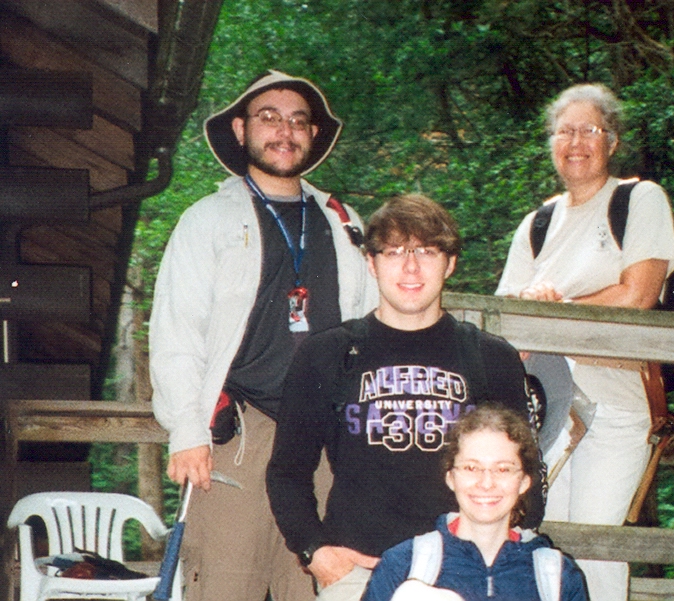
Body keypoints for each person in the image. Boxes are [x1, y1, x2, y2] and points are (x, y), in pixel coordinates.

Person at [149, 70, 378, 601]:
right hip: (239, 436)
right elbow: (178, 329)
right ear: (241, 128)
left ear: (313, 135)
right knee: (225, 585)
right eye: (269, 117)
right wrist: (186, 430)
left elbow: (371, 325)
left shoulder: (343, 223)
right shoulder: (207, 221)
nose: (284, 131)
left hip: (326, 438)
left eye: (298, 120)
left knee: (320, 587)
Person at [267, 194, 543, 601]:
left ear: (450, 263)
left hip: (466, 573)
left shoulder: (491, 357)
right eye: (395, 252)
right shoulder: (328, 354)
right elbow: (287, 471)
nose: (411, 267)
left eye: (427, 252)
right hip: (359, 574)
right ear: (371, 263)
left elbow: (528, 475)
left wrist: (493, 557)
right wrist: (316, 552)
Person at [496, 83, 674, 601]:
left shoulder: (638, 200)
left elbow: (638, 293)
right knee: (542, 549)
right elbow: (505, 324)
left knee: (596, 553)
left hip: (615, 403)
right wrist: (530, 305)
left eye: (589, 130)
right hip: (546, 410)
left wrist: (553, 312)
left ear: (612, 142)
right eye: (564, 132)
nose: (575, 142)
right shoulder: (535, 225)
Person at [362, 405, 588, 601]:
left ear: (523, 482)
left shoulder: (556, 577)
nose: (486, 483)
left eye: (503, 469)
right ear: (451, 477)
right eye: (471, 467)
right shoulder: (404, 565)